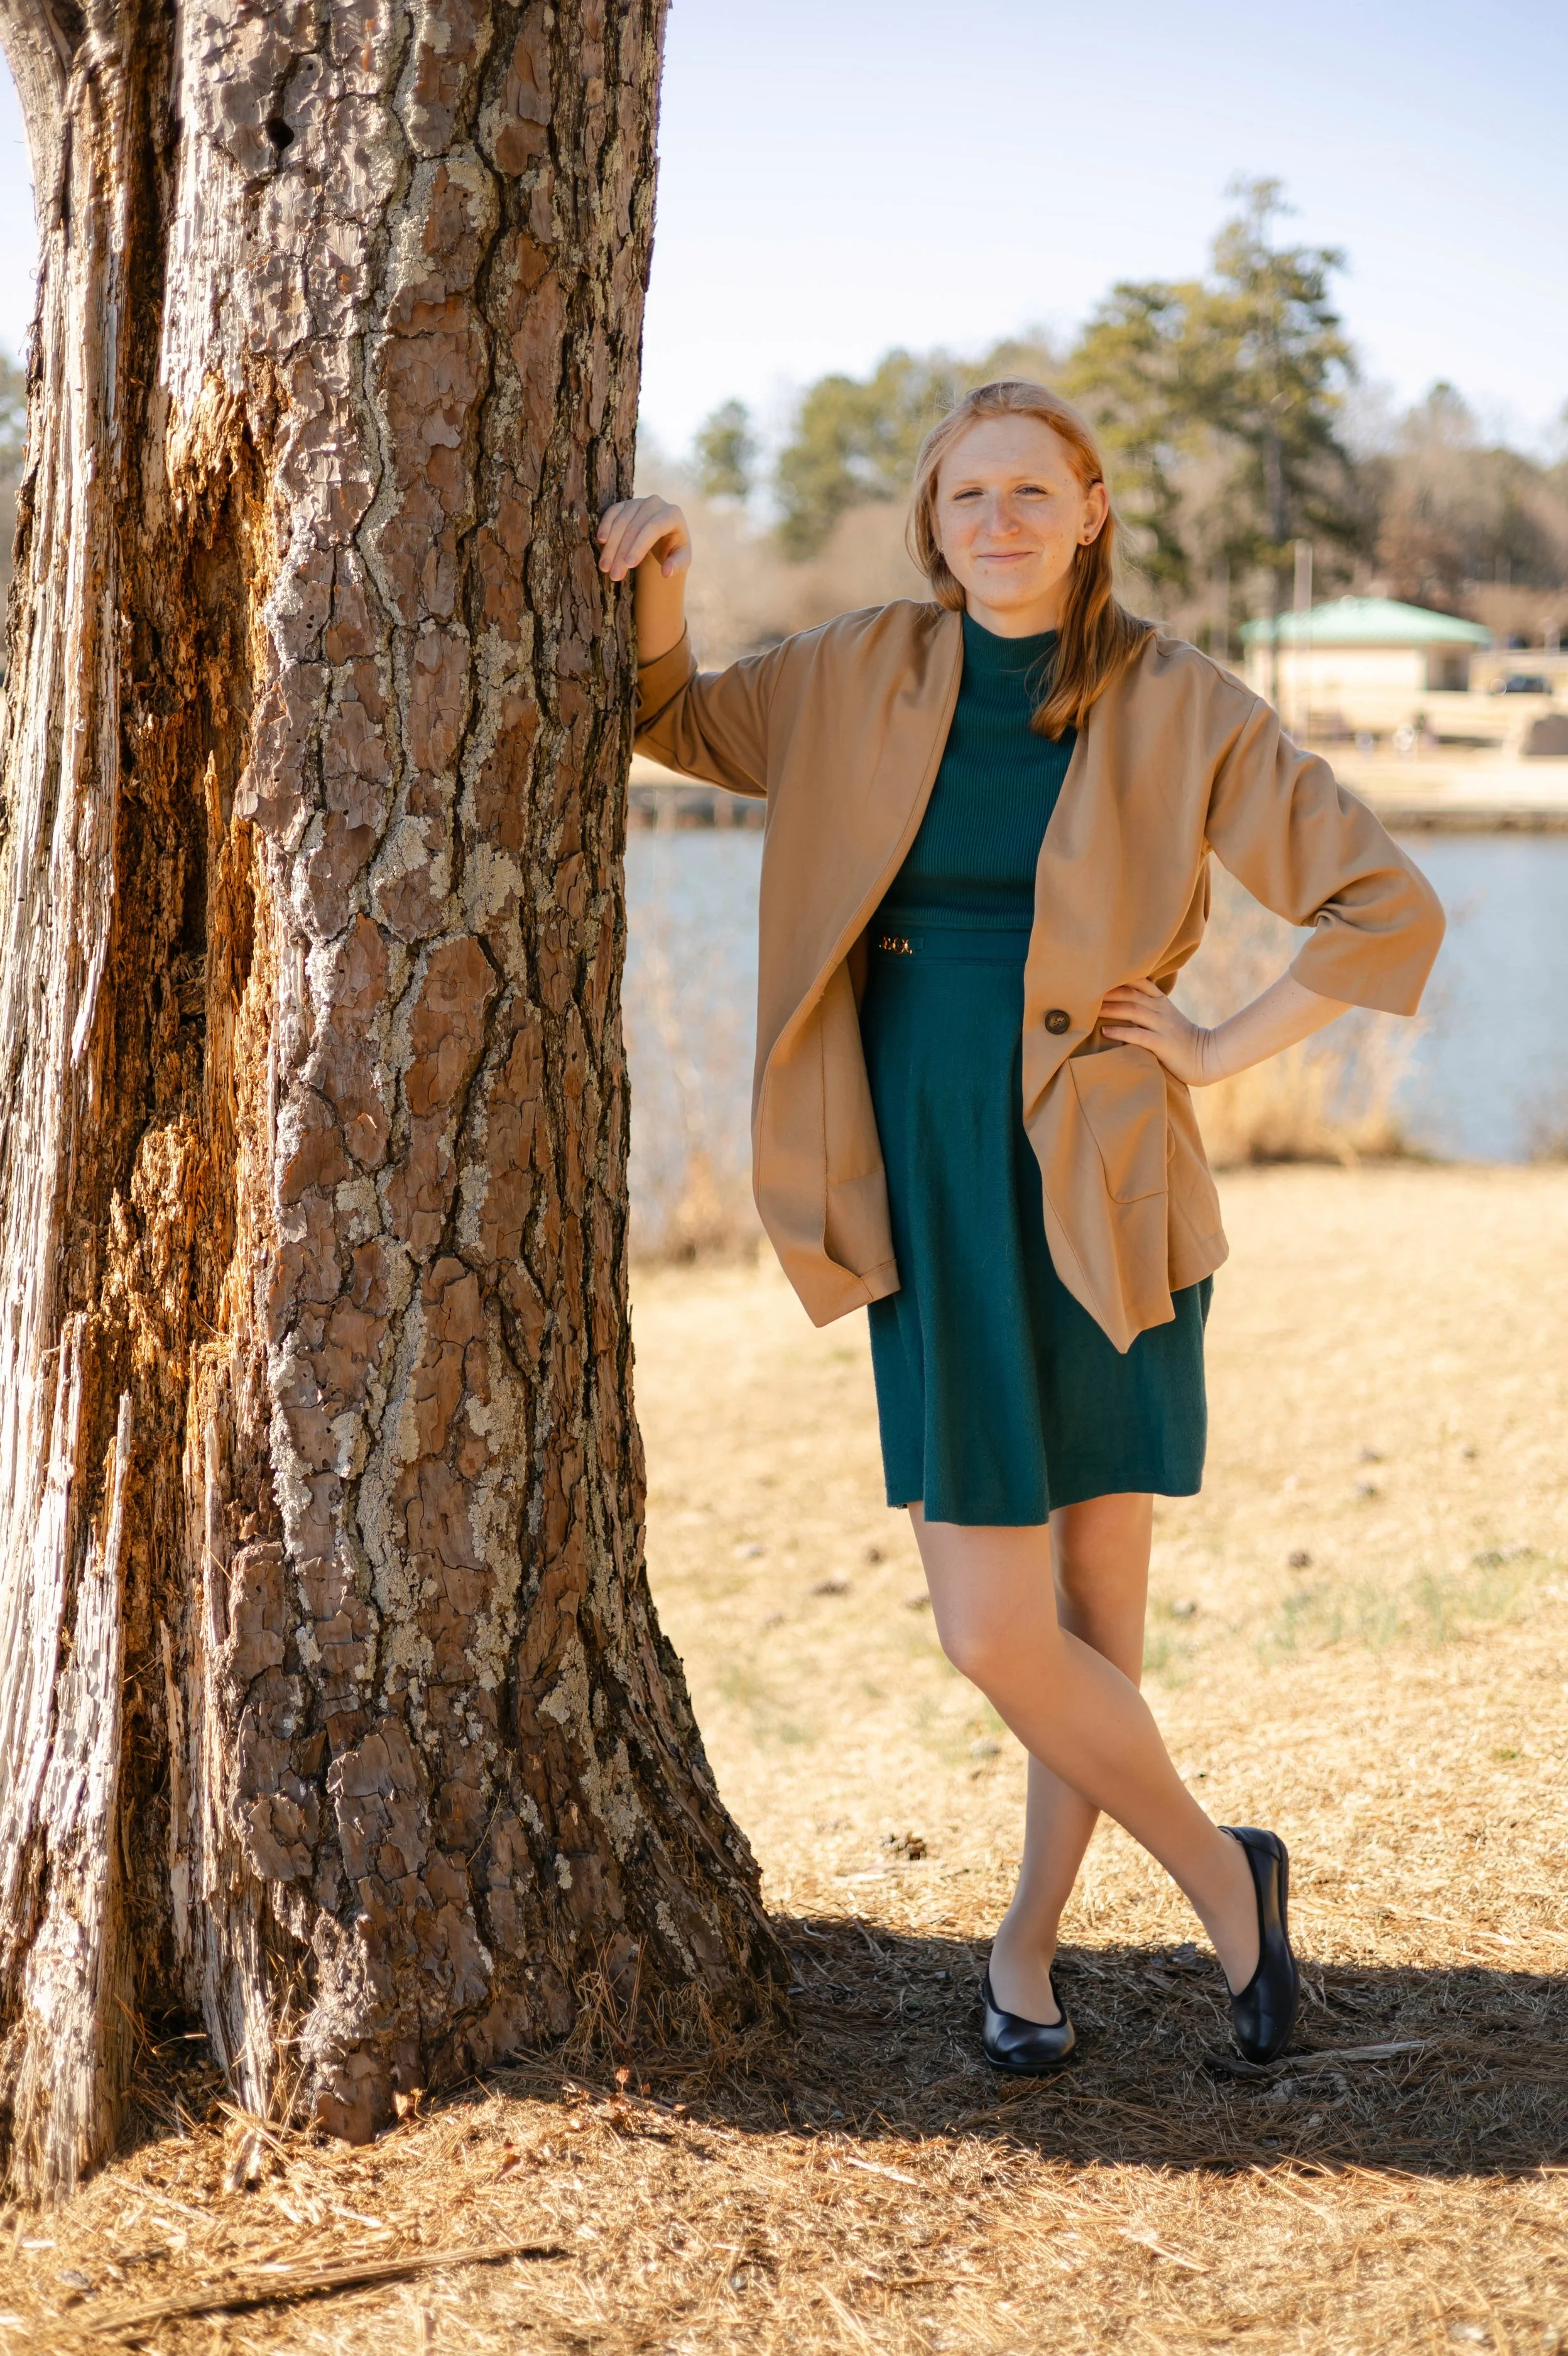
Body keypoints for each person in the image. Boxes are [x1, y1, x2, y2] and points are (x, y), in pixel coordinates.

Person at [596, 380, 1444, 2074]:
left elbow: (1382, 904)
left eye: (1031, 492)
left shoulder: (1175, 699)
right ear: (931, 520)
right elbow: (669, 719)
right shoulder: (854, 670)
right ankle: (1228, 1880)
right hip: (923, 1170)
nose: (997, 521)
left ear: (1090, 510)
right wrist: (663, 573)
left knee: (1090, 1620)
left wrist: (1215, 1046)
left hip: (1102, 1177)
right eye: (966, 494)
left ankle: (1027, 1950)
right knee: (995, 1631)